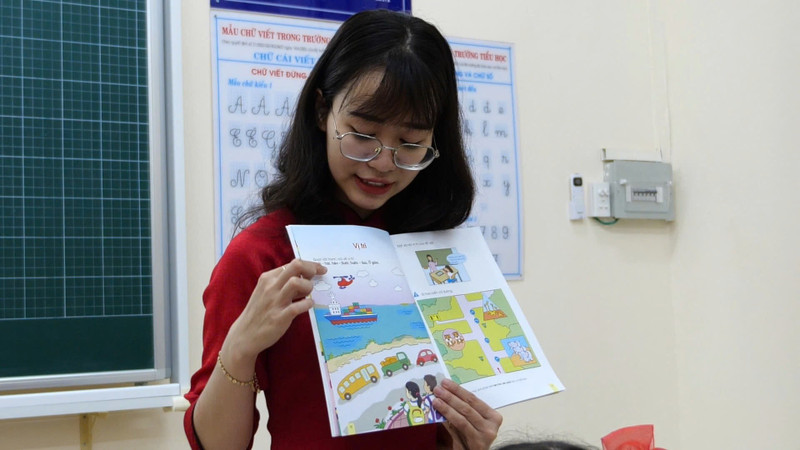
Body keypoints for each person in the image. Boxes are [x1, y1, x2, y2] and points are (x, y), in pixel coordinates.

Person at [184, 8, 502, 450]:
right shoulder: (262, 257)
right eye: (363, 134)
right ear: (322, 111)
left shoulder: (438, 252)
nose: (383, 163)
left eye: (411, 143)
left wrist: (469, 438)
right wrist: (239, 347)